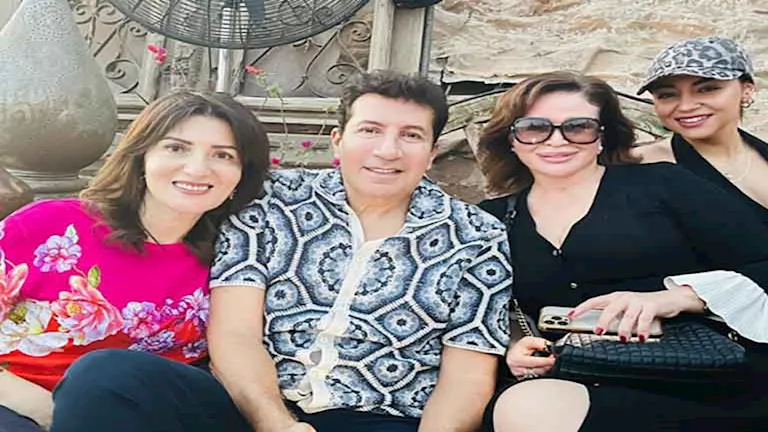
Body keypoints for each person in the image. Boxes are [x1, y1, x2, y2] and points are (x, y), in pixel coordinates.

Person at [50, 70, 512, 432]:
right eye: (370, 130)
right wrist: (276, 423)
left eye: (411, 135)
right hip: (252, 409)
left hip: (380, 417)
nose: (387, 150)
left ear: (431, 152)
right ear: (338, 141)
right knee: (107, 376)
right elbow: (235, 333)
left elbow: (467, 376)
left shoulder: (475, 235)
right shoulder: (274, 202)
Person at [476, 71, 768, 431]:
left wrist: (676, 298)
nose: (556, 140)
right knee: (523, 407)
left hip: (702, 378)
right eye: (534, 127)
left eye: (578, 127)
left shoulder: (663, 185)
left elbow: (763, 262)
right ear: (511, 139)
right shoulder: (492, 219)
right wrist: (516, 347)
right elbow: (487, 310)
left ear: (602, 137)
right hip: (578, 377)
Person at [0, 90, 270, 431]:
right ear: (142, 156)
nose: (197, 169)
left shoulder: (237, 254)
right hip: (19, 398)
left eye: (223, 155)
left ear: (242, 173)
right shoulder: (46, 227)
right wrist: (45, 410)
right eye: (176, 148)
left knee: (106, 379)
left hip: (146, 412)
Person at [633, 36, 768, 224]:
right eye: (667, 95)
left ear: (747, 90)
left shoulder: (760, 150)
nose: (686, 106)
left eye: (706, 89)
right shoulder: (636, 166)